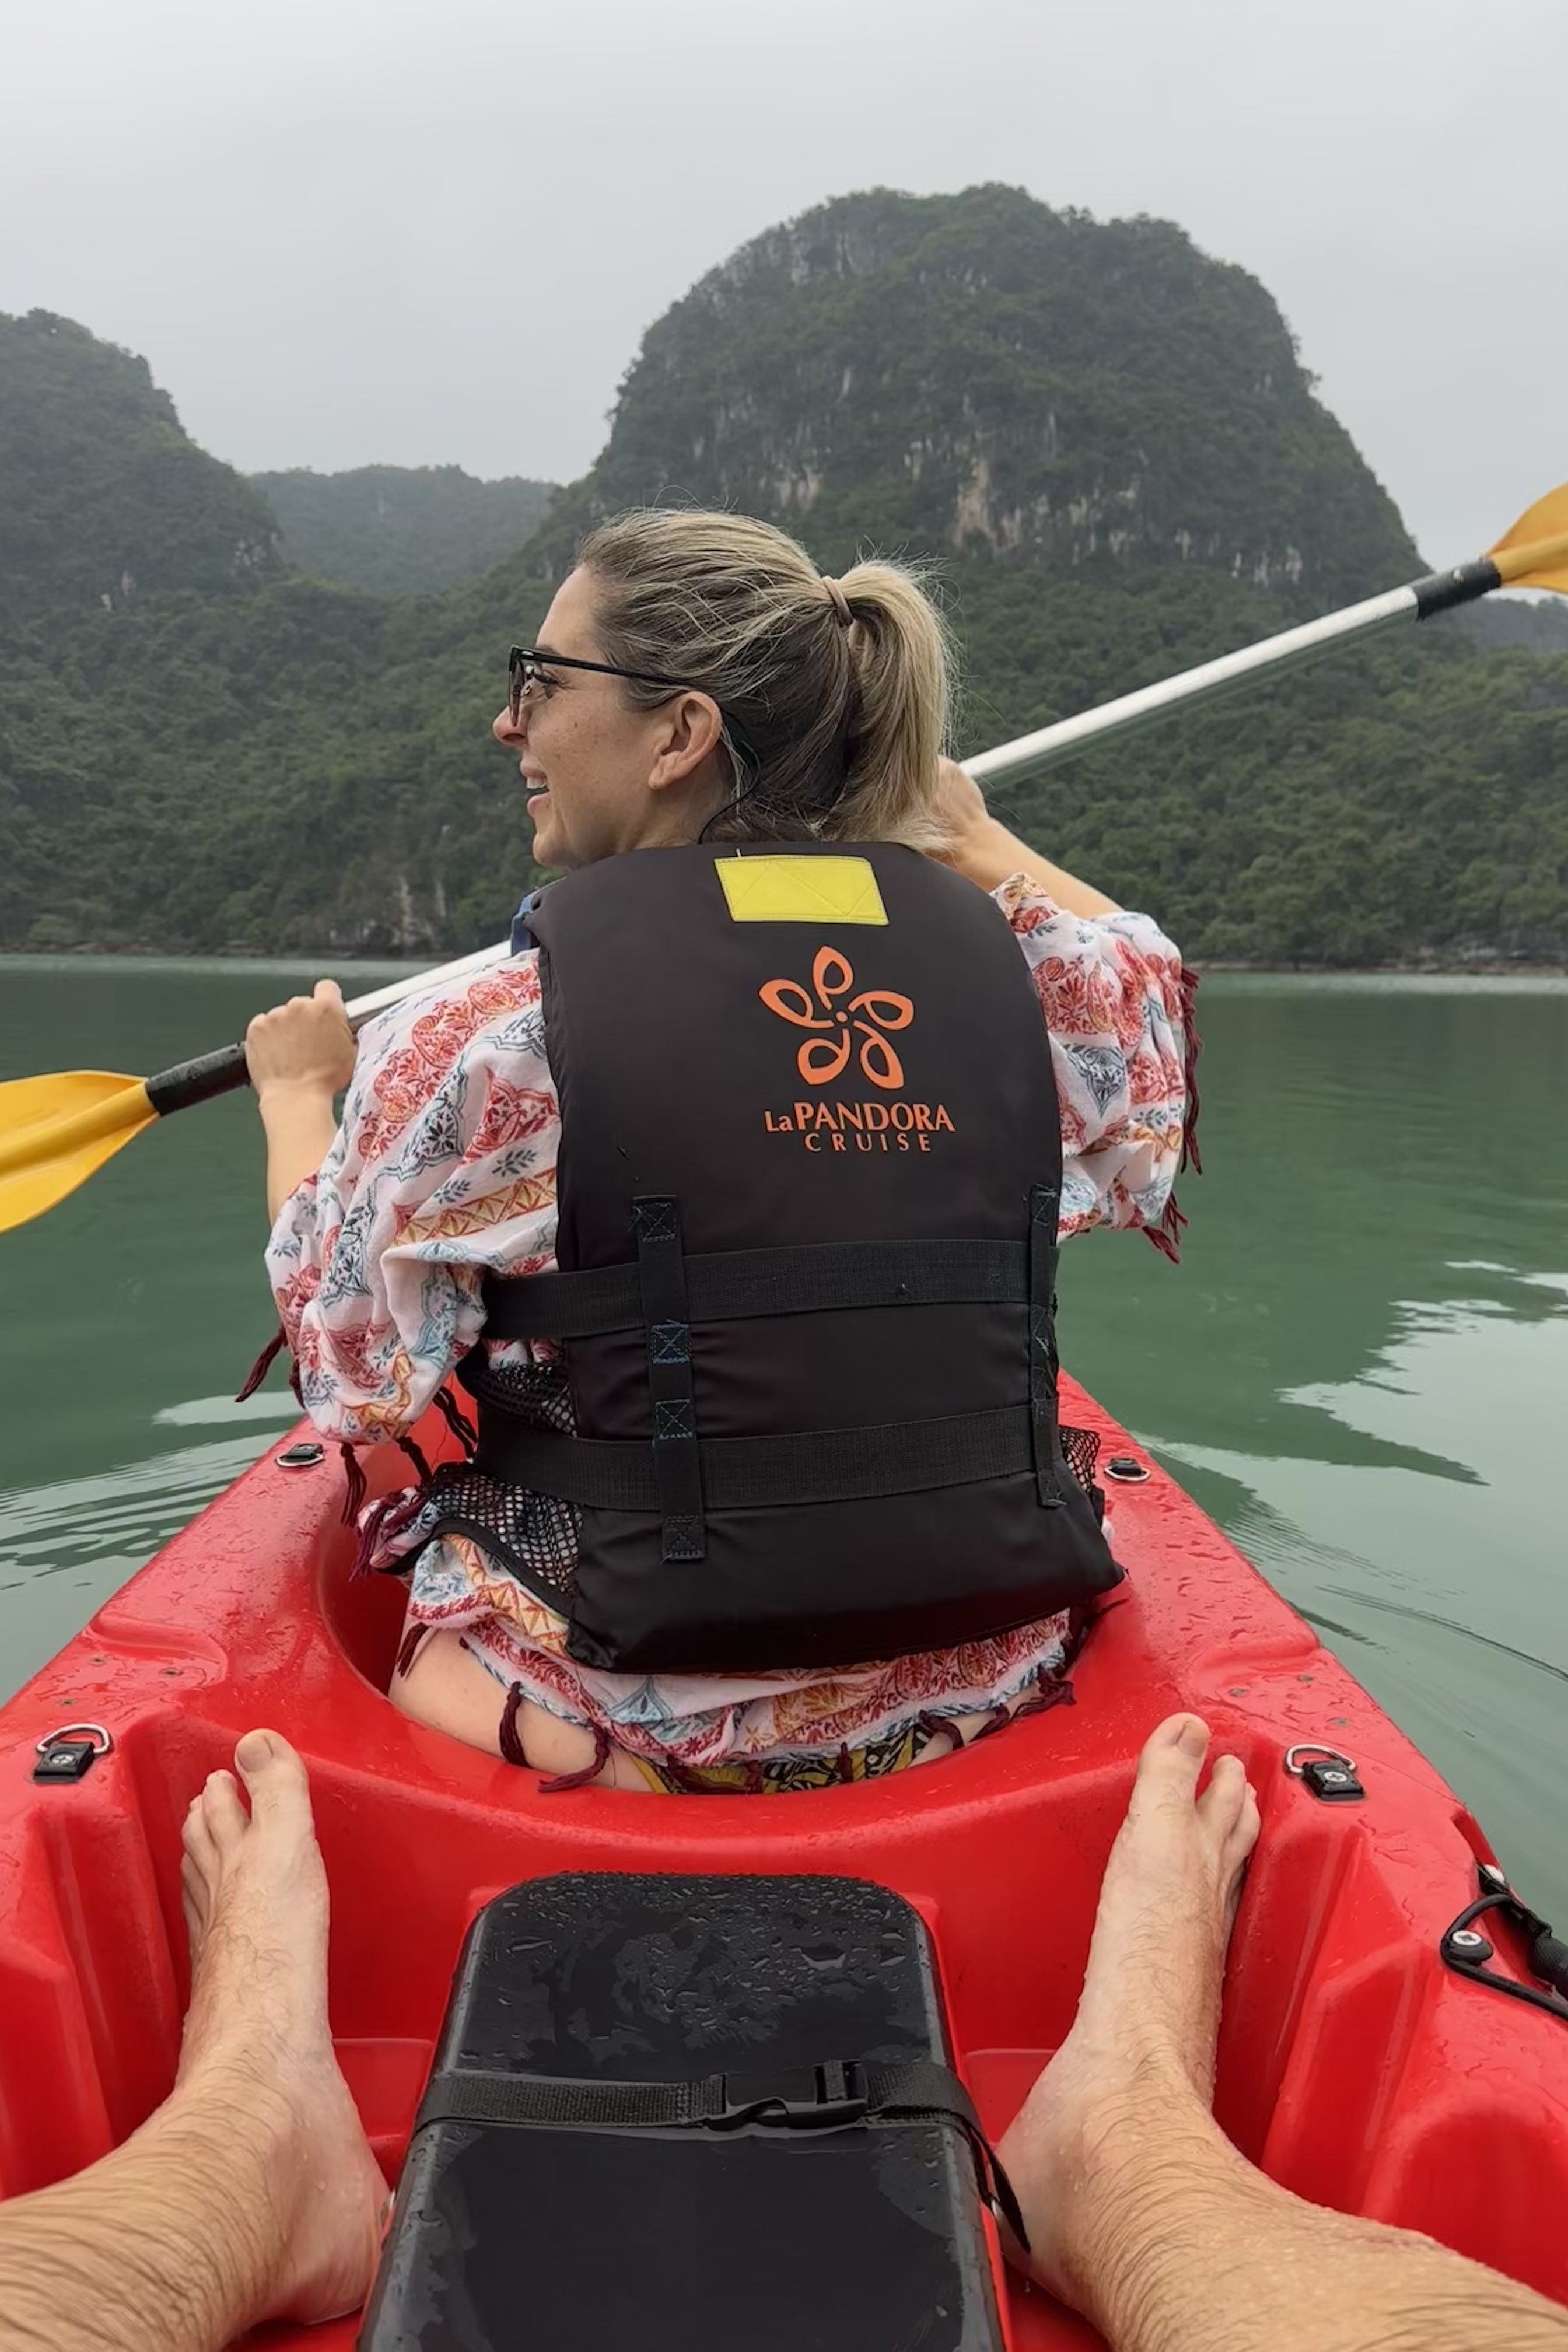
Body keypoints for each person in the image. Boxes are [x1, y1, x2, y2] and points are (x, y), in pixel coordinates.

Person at [244, 508, 1198, 1793]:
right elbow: (1149, 1006)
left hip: (597, 1729)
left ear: (682, 734)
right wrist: (972, 838)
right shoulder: (1031, 981)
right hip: (978, 1701)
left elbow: (354, 1380)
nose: (508, 723)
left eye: (538, 682)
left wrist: (299, 1102)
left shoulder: (482, 1041)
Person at [4, 1718, 1565, 2352]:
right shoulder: (1071, 1022)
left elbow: (357, 1385)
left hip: (533, 1705)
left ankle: (236, 2157)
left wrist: (297, 1100)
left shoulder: (454, 1056)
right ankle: (1139, 2161)